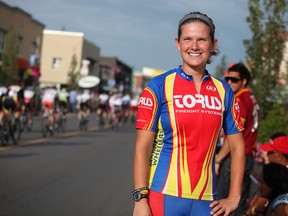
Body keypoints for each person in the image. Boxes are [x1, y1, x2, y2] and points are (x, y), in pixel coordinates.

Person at [132, 11, 246, 216]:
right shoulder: (159, 86)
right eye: (188, 39)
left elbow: (238, 148)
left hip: (208, 201)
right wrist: (141, 199)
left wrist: (234, 196)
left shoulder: (224, 91)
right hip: (164, 196)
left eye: (202, 40)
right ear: (178, 43)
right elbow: (143, 148)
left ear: (213, 45)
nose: (194, 46)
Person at [216, 63, 260, 215]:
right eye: (227, 79)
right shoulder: (252, 98)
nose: (229, 83)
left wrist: (218, 159)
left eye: (234, 80)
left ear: (244, 81)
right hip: (248, 156)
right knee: (239, 203)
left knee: (221, 204)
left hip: (234, 159)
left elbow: (234, 138)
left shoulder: (240, 100)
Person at [245, 134, 288, 215]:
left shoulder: (281, 206)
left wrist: (251, 211)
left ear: (280, 157)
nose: (266, 155)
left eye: (270, 152)